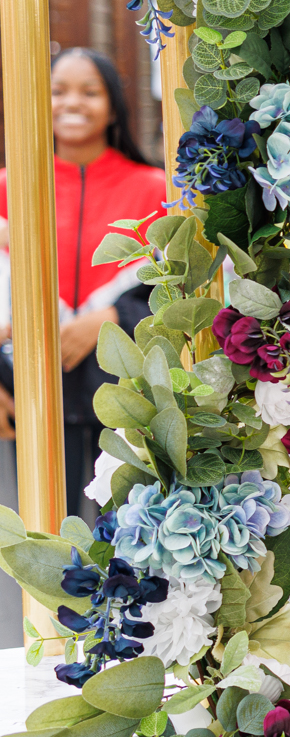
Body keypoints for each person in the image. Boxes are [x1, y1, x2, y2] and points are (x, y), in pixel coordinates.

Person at [0, 48, 167, 519]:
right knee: (49, 541)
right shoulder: (7, 188)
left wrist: (113, 317)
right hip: (33, 394)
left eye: (89, 92)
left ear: (113, 106)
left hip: (125, 398)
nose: (72, 102)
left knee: (127, 538)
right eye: (58, 91)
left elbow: (177, 294)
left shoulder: (153, 190)